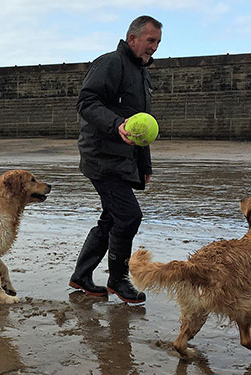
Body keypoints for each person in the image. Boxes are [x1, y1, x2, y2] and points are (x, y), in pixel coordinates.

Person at [69, 15, 162, 304]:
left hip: (122, 158)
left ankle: (81, 276)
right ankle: (117, 280)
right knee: (129, 216)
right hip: (101, 156)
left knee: (111, 218)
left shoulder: (141, 73)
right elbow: (86, 102)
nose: (154, 48)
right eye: (150, 41)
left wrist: (144, 166)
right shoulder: (111, 63)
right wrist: (115, 124)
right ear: (132, 38)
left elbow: (141, 127)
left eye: (158, 42)